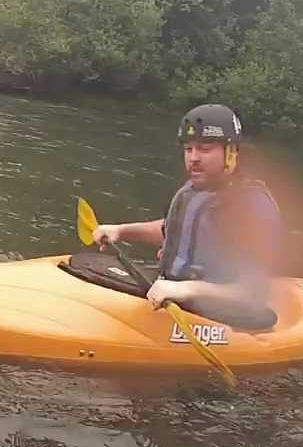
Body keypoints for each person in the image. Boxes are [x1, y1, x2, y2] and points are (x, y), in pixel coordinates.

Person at [91, 103, 282, 312]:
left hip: (221, 311)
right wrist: (121, 231)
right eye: (188, 149)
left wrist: (186, 289)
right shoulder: (193, 191)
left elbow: (251, 291)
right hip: (173, 291)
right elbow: (174, 231)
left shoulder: (253, 205)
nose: (194, 158)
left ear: (231, 152)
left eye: (205, 149)